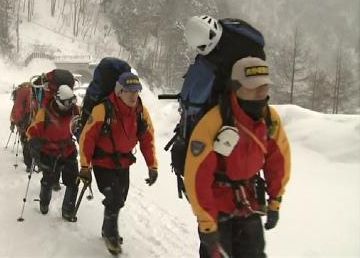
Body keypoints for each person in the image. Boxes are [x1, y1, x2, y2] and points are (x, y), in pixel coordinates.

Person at [184, 57, 291, 258]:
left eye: (264, 87)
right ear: (236, 87)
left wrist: (275, 202)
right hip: (216, 206)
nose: (261, 93)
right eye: (254, 87)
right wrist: (207, 223)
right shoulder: (215, 120)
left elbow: (279, 162)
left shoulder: (269, 118)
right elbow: (197, 175)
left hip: (248, 204)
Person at [77, 72, 158, 254]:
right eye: (129, 91)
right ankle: (111, 235)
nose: (133, 95)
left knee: (120, 199)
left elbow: (148, 139)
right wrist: (84, 166)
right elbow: (87, 139)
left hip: (123, 163)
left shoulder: (141, 112)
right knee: (114, 198)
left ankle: (107, 228)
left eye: (137, 91)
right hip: (102, 162)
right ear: (119, 91)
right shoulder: (103, 110)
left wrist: (152, 166)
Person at [26, 84, 80, 220]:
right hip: (48, 152)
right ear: (57, 100)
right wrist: (33, 143)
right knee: (48, 180)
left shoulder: (75, 110)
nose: (70, 105)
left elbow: (80, 129)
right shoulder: (44, 113)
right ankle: (44, 203)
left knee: (73, 182)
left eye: (72, 101)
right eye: (67, 102)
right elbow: (32, 131)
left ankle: (68, 210)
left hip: (68, 150)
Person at [10, 82, 37, 172]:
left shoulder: (20, 93)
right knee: (33, 142)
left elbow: (16, 109)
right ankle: (34, 162)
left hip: (23, 122)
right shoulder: (33, 92)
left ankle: (29, 164)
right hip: (32, 121)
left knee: (25, 142)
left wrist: (14, 123)